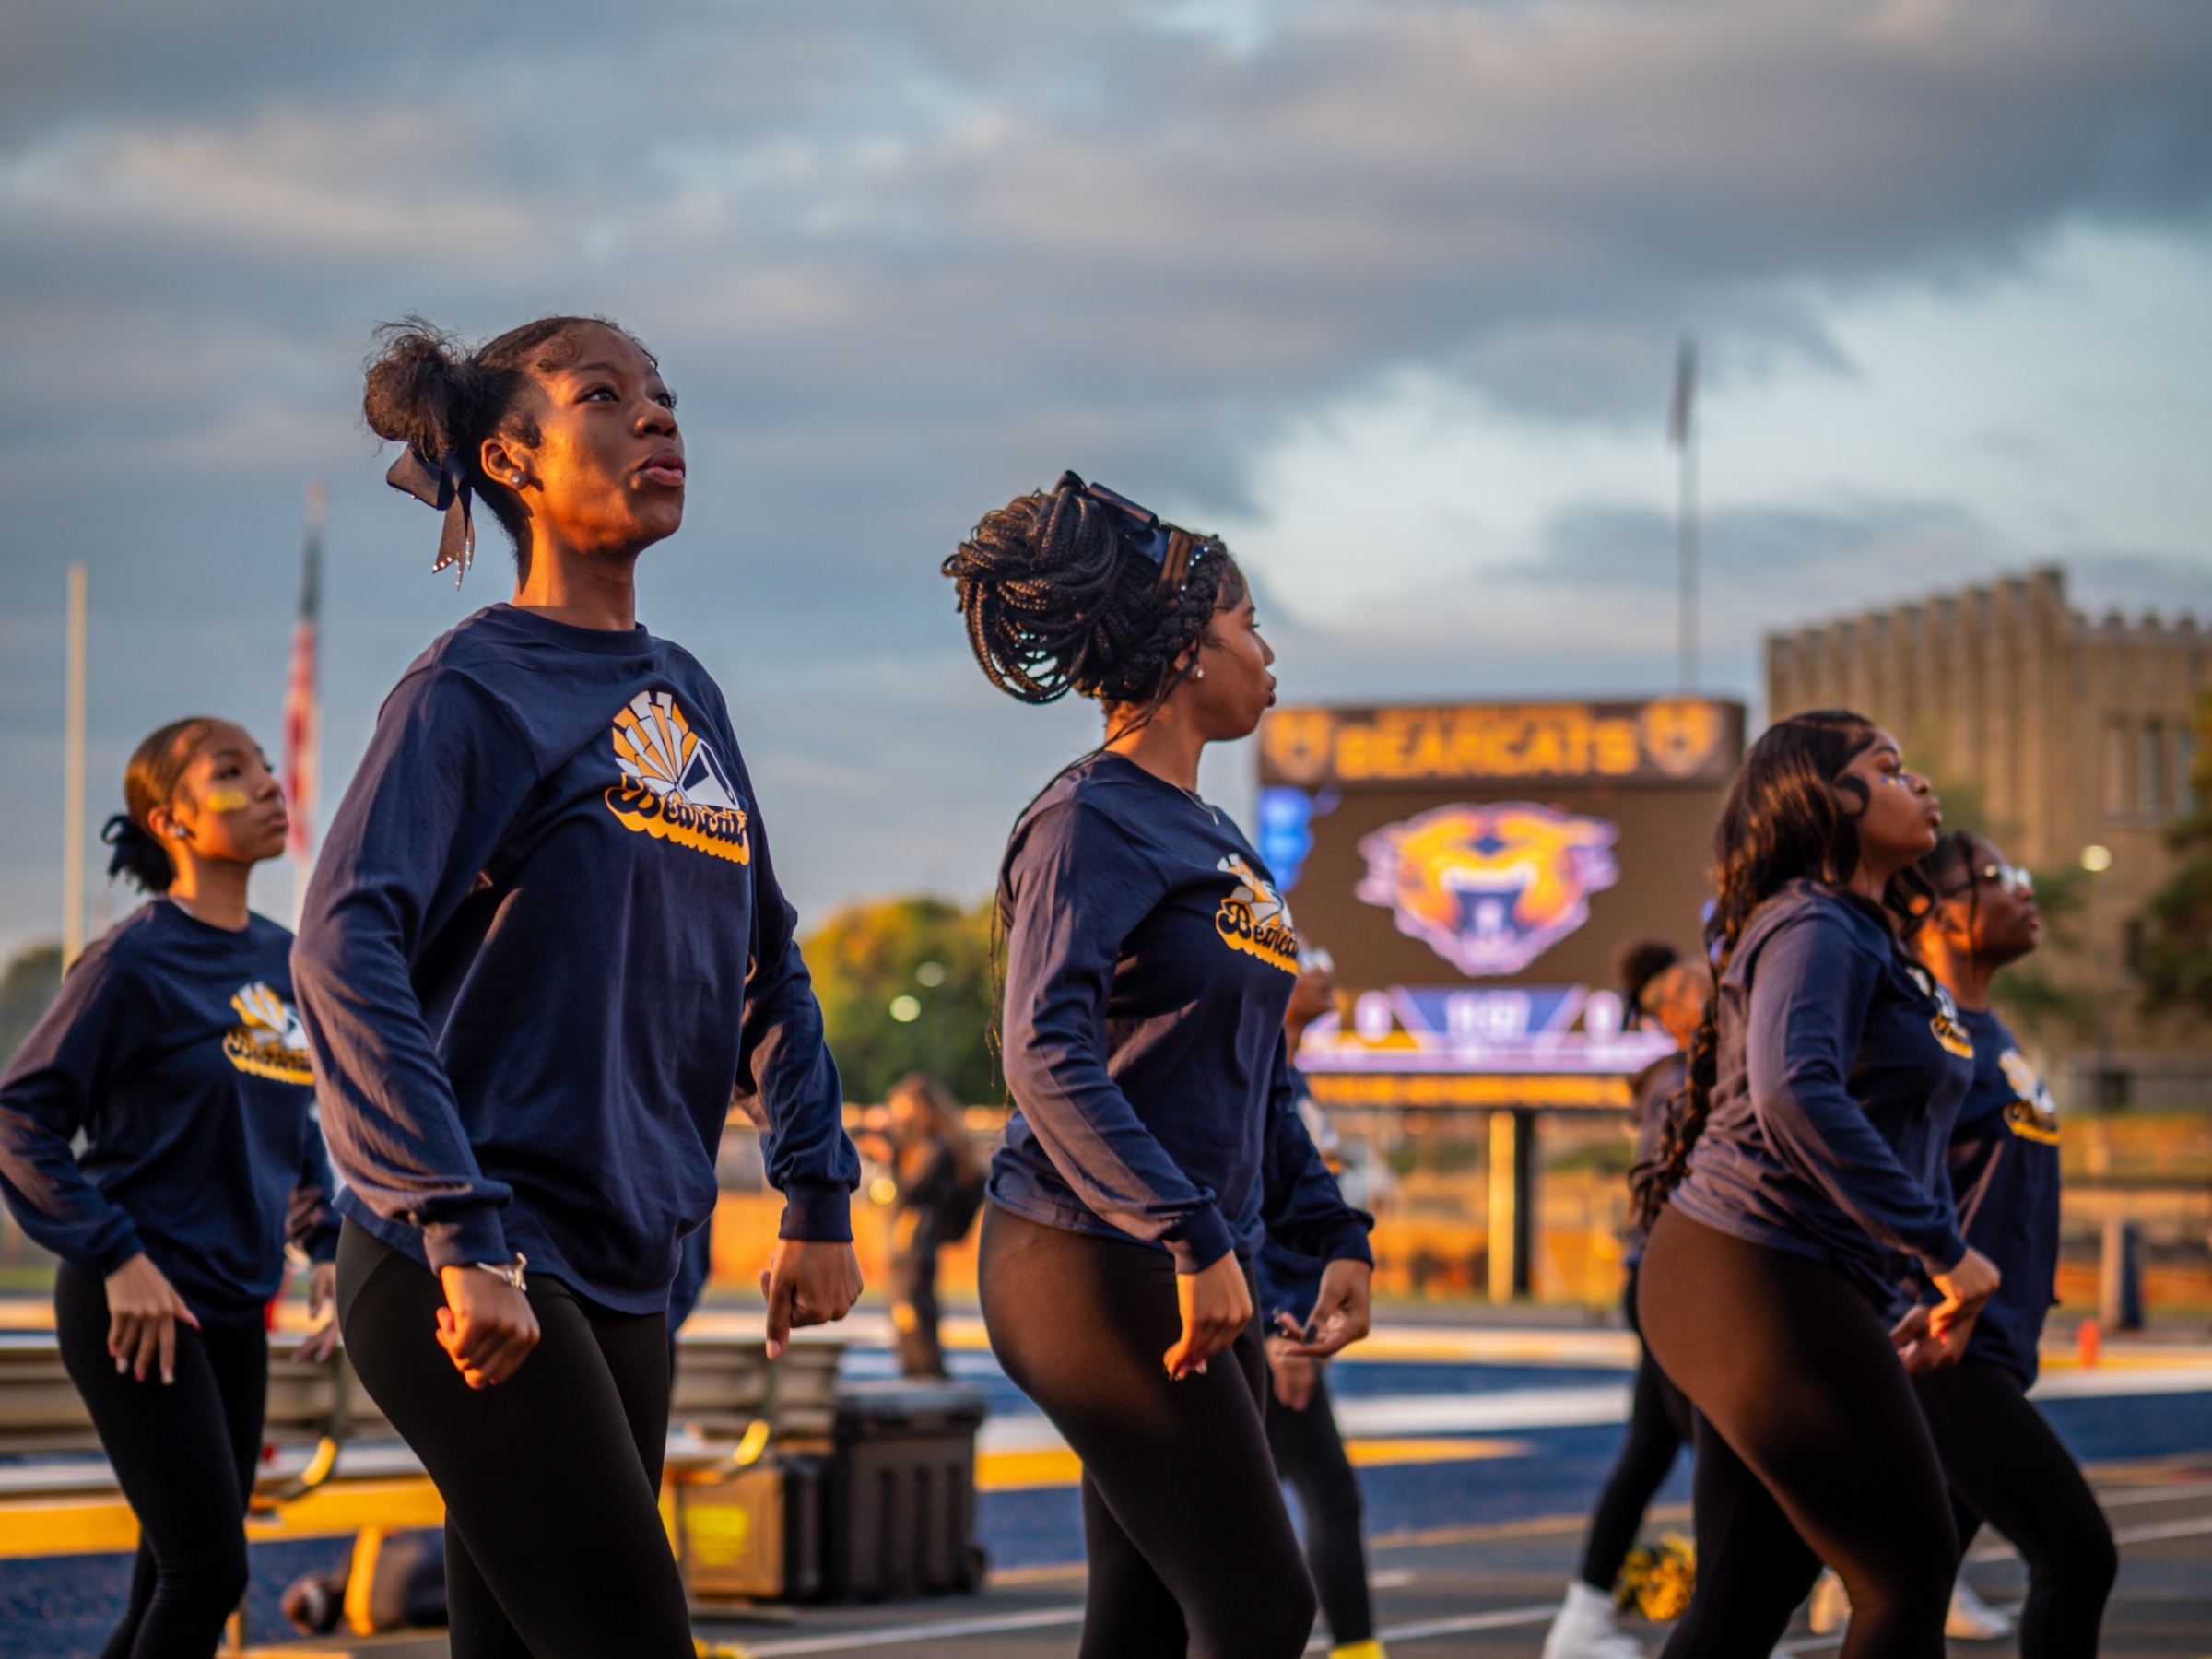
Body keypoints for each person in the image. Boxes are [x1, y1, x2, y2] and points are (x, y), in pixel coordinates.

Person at [293, 315, 863, 1659]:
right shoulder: (472, 686)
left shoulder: (687, 693)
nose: (657, 419)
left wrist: (817, 1191)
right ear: (512, 459)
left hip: (629, 1263)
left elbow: (767, 969)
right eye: (604, 396)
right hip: (472, 1256)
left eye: (663, 396)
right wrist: (457, 1223)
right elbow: (341, 944)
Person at [947, 472, 1376, 1659]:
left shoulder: (1219, 840)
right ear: (1189, 649)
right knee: (1261, 1607)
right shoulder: (1088, 819)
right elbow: (1044, 1051)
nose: (1268, 652)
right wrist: (1191, 1237)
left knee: (1143, 1623)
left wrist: (1330, 1232)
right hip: (1087, 1254)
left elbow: (1257, 1077)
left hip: (1183, 1251)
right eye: (1249, 625)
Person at [1634, 711, 2002, 1659]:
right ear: (1829, 799)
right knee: (1908, 1571)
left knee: (1745, 1600)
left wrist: (1915, 1279)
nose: (1920, 785)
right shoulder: (1814, 921)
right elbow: (1794, 1090)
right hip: (1751, 1269)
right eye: (1890, 768)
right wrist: (1942, 1248)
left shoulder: (1864, 935)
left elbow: (1895, 1129)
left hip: (1775, 1274)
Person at [0, 717, 340, 1659]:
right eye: (233, 771)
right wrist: (117, 1256)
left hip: (232, 1306)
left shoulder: (286, 959)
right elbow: (19, 1120)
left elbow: (292, 1123)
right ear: (171, 821)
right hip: (136, 1307)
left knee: (171, 1579)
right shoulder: (132, 962)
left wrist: (324, 1243)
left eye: (265, 766)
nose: (267, 783)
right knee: (208, 1575)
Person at [1904, 831, 2116, 1656]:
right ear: (1933, 912)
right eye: (1995, 877)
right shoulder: (1922, 1033)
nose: (2024, 891)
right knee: (2078, 1556)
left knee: (1910, 1591)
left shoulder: (1988, 1032)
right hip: (1947, 1349)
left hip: (1997, 1345)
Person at [1542, 943, 1703, 1659]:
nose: (1702, 989)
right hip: (1677, 1283)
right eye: (1683, 990)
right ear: (1666, 1015)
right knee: (1732, 1456)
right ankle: (1737, 1622)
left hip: (1672, 1281)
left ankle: (1582, 1618)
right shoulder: (1681, 1083)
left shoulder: (1688, 1071)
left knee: (1648, 1453)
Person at [1259, 952, 1387, 1659]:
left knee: (1256, 1506)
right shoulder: (1255, 1072)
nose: (1324, 969)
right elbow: (1244, 1206)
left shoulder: (1291, 1077)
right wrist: (1275, 1322)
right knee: (1325, 1496)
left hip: (1287, 1314)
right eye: (1304, 957)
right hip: (1273, 1320)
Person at [879, 1074, 985, 1379]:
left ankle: (927, 1372)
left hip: (917, 1244)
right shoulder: (931, 1148)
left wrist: (891, 1155)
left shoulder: (936, 1150)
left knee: (912, 1309)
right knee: (910, 1310)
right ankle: (920, 1371)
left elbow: (908, 1192)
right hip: (916, 1242)